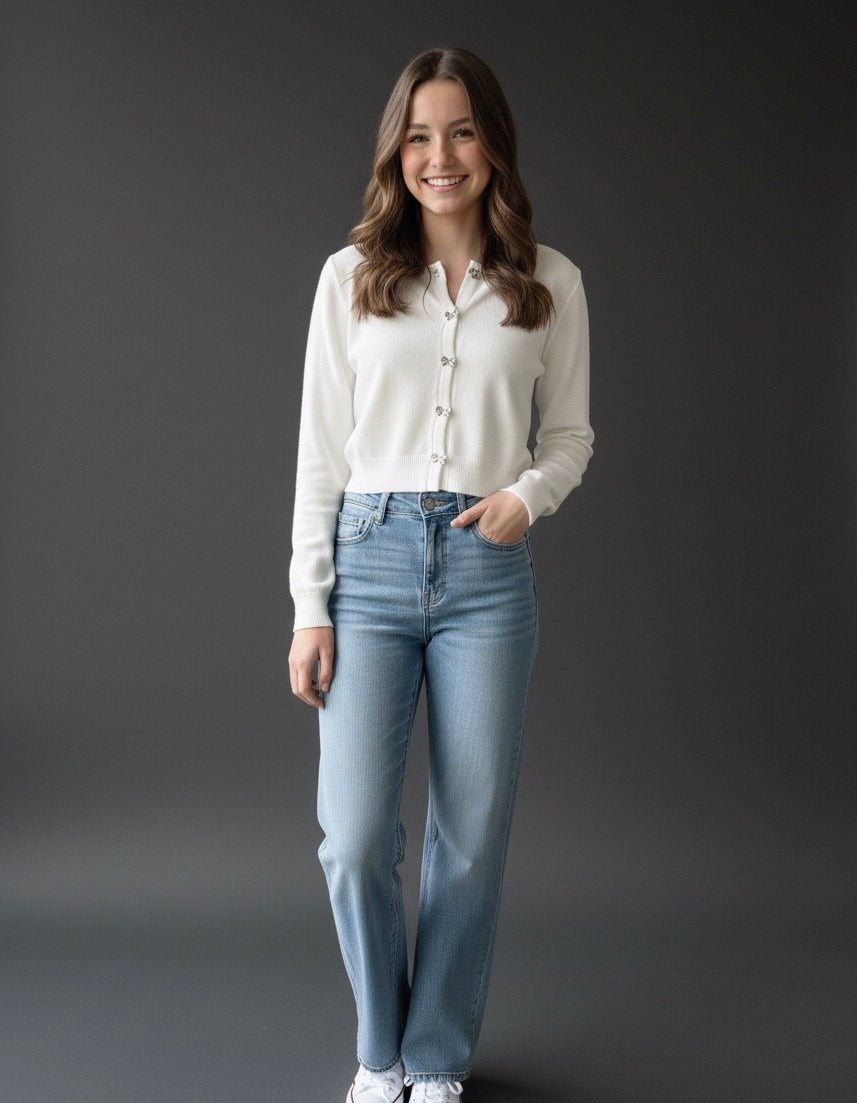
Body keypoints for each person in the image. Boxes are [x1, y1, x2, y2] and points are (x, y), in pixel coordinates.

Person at [288, 45, 593, 1103]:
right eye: (418, 135)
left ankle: (434, 1059)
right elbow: (319, 456)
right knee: (355, 833)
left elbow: (569, 437)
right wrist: (307, 606)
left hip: (486, 572)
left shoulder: (549, 282)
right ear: (396, 152)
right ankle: (380, 1049)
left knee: (471, 835)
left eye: (460, 130)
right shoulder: (350, 279)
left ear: (491, 143)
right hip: (367, 560)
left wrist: (526, 497)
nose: (439, 155)